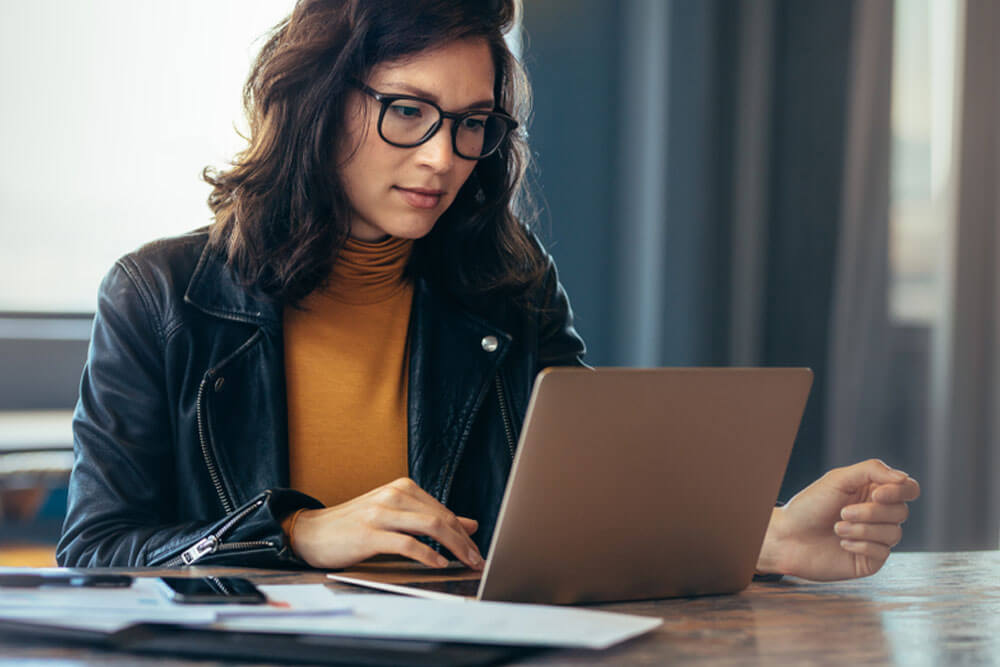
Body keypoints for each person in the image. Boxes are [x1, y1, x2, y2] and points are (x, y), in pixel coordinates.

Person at [56, 0, 919, 582]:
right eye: (408, 111)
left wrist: (763, 535)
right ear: (318, 101)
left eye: (473, 123)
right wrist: (294, 535)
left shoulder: (507, 282)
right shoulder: (160, 295)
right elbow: (95, 552)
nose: (442, 156)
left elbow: (586, 501)